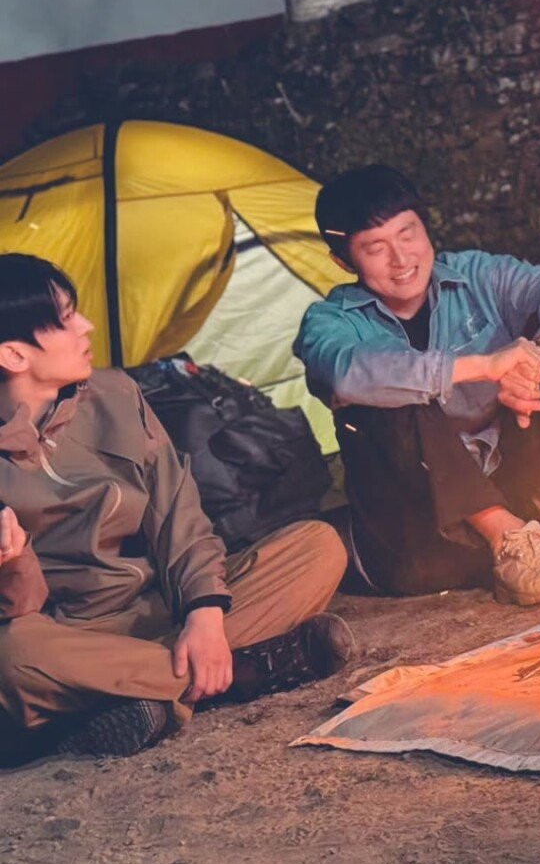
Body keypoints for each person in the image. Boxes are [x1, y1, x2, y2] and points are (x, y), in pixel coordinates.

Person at [0, 254, 353, 759]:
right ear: (14, 354)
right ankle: (243, 671)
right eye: (65, 319)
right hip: (71, 636)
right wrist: (12, 563)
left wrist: (204, 611)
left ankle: (136, 693)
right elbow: (20, 611)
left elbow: (177, 515)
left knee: (317, 546)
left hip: (160, 605)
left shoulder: (115, 395)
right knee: (13, 655)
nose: (86, 326)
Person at [294, 164, 540, 605]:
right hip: (419, 531)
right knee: (389, 395)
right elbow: (350, 373)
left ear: (426, 227)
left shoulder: (475, 275)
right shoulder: (328, 322)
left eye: (407, 234)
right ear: (343, 261)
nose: (401, 259)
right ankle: (508, 541)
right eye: (376, 248)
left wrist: (536, 359)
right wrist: (484, 366)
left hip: (510, 484)